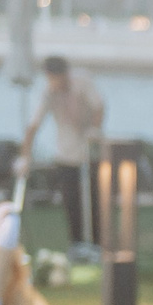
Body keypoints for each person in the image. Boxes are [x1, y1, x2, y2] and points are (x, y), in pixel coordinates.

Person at [19, 55, 106, 250]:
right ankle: (76, 243)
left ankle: (97, 243)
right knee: (71, 201)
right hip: (66, 154)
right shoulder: (47, 93)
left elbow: (99, 107)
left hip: (90, 151)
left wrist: (94, 129)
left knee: (94, 200)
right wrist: (25, 157)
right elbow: (33, 127)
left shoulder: (83, 81)